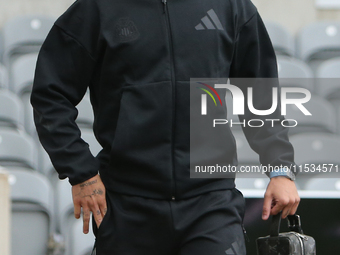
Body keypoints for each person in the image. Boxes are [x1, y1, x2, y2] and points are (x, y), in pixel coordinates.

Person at [31, 0, 300, 254]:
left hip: (210, 203)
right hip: (128, 207)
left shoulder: (230, 6)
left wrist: (280, 169)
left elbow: (260, 96)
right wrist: (82, 172)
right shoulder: (97, 9)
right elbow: (50, 96)